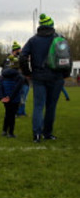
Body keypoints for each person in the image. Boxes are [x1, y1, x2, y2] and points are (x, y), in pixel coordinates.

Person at [19, 13, 72, 142]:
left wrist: (27, 72)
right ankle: (48, 133)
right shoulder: (59, 39)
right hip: (56, 77)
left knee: (38, 106)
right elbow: (67, 58)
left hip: (39, 77)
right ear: (52, 26)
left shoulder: (33, 40)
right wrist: (65, 74)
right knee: (51, 107)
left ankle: (36, 135)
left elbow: (22, 57)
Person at [0, 55, 25, 138]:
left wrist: (2, 97)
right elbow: (17, 89)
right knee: (12, 115)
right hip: (14, 99)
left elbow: (0, 87)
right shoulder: (19, 76)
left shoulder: (3, 74)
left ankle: (4, 130)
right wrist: (10, 97)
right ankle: (11, 133)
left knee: (7, 114)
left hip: (5, 97)